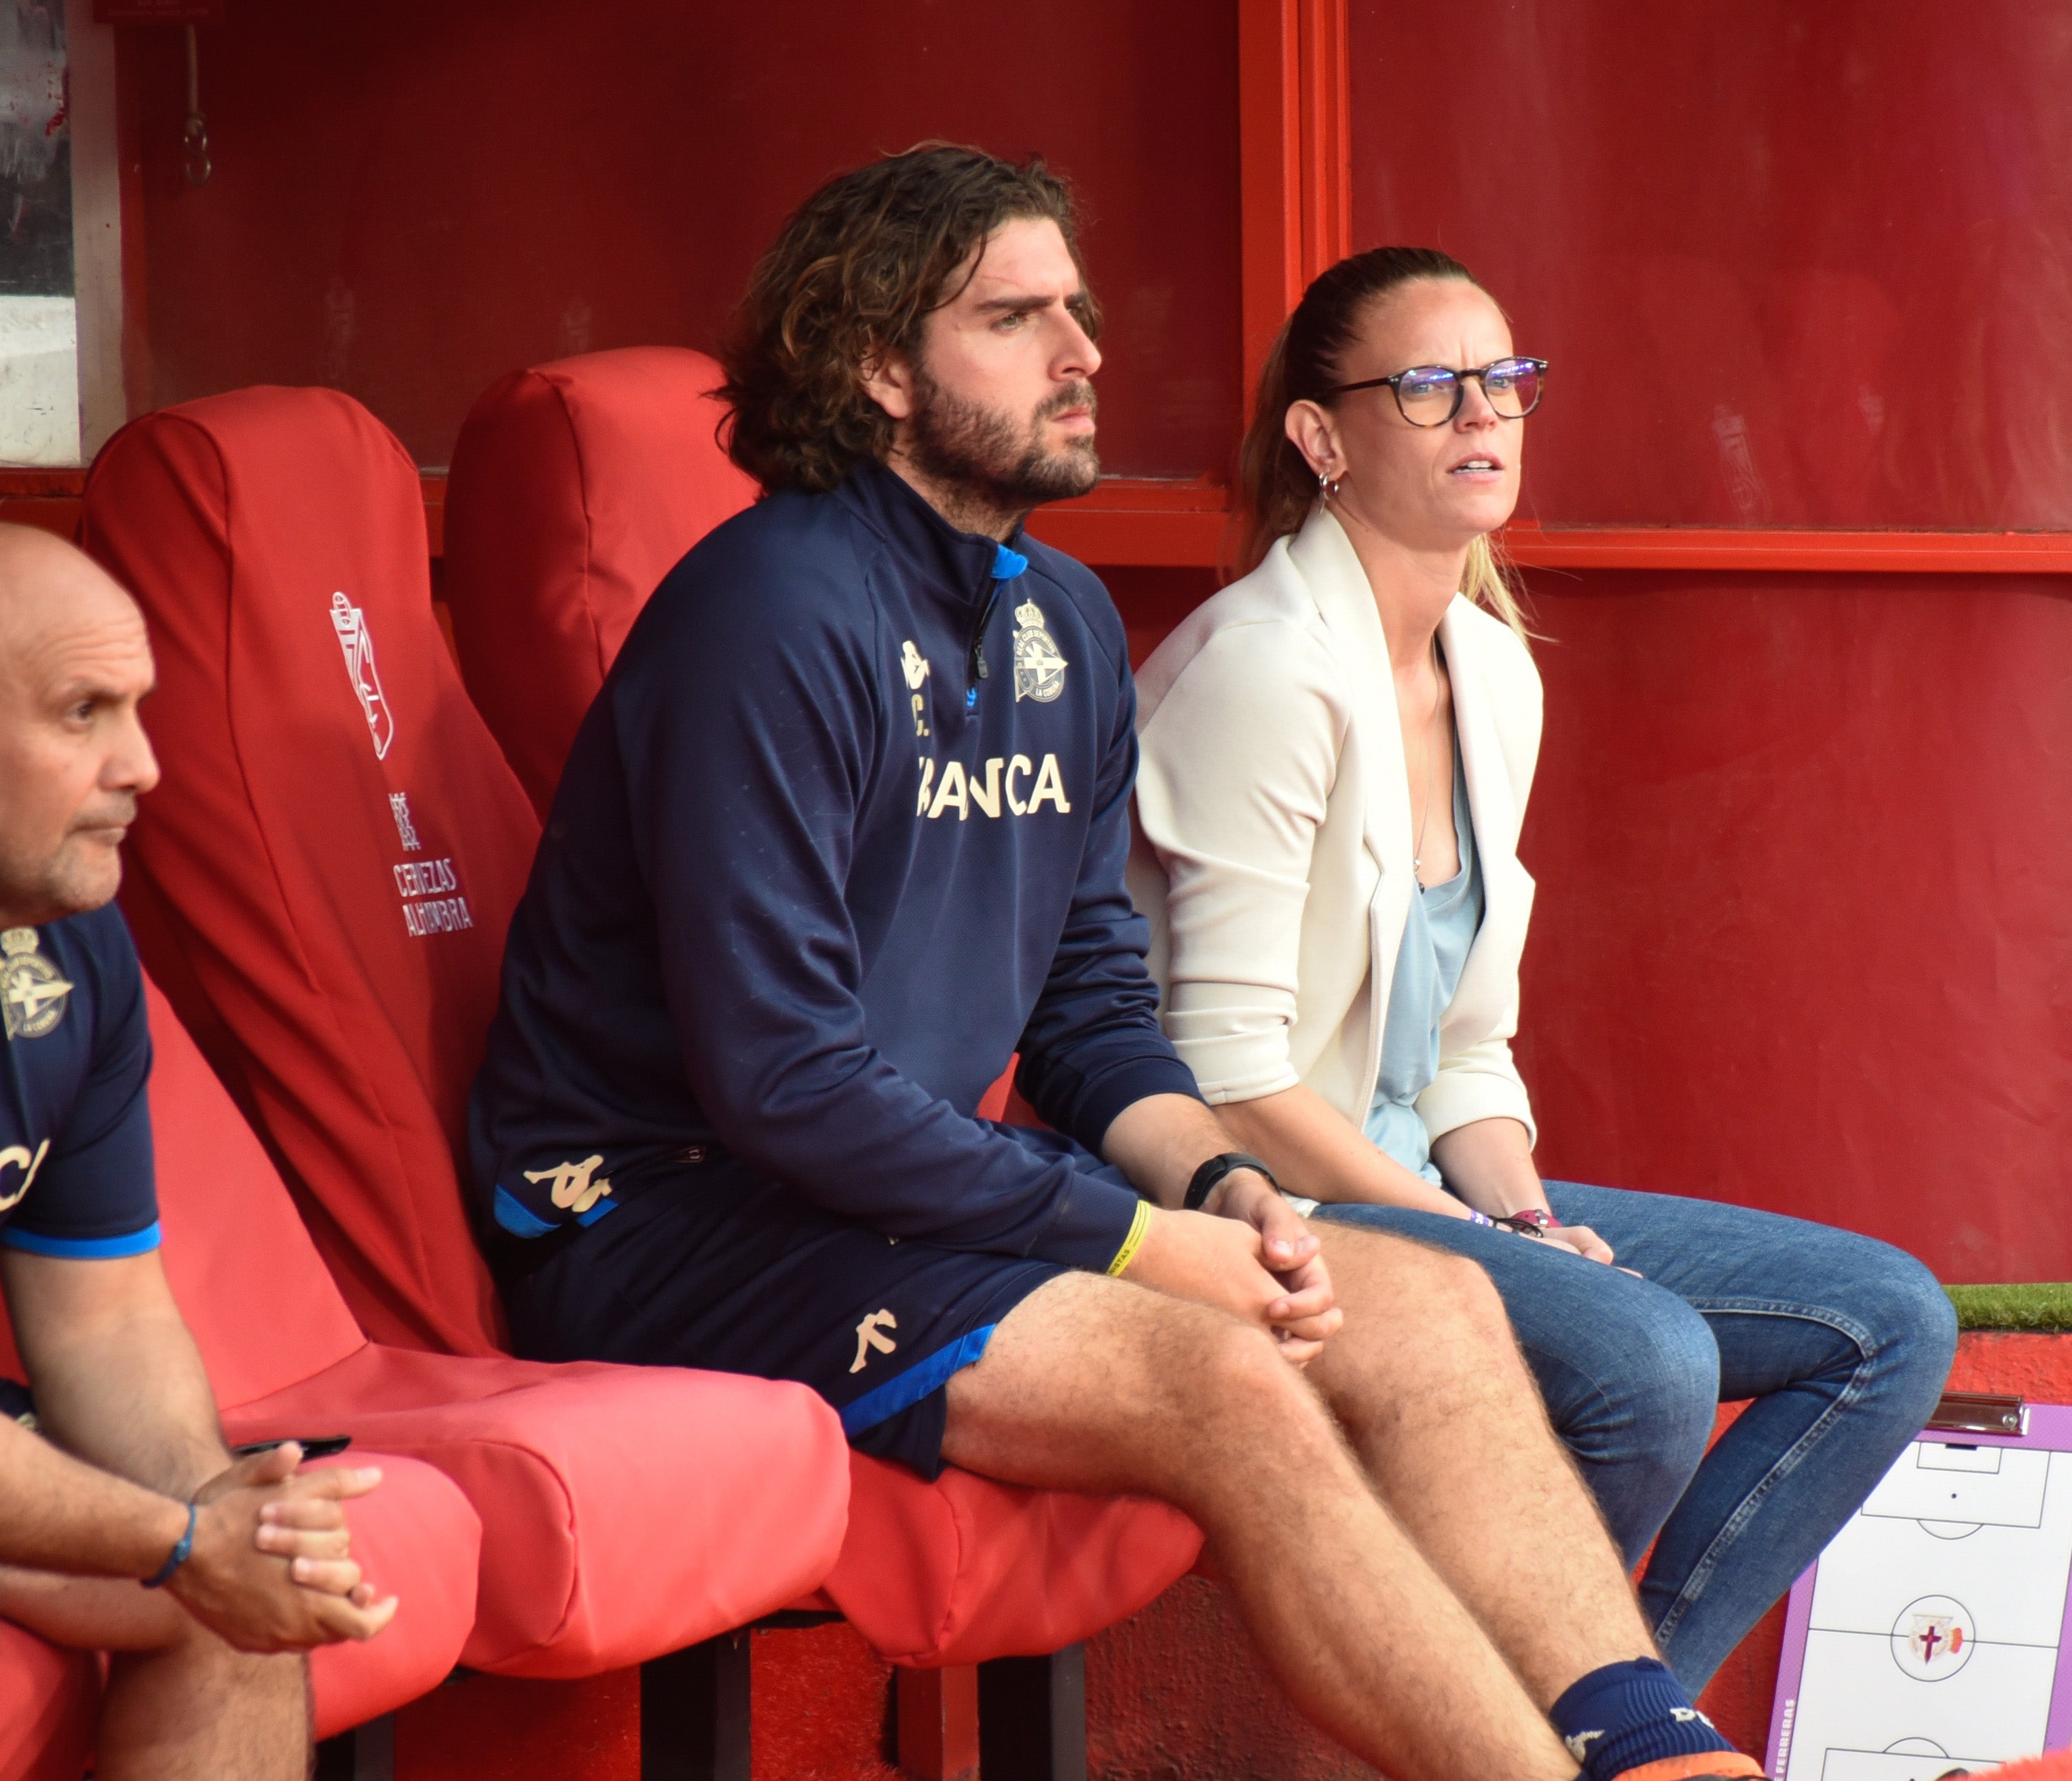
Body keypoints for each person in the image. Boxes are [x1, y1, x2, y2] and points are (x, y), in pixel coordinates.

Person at [467, 146, 1769, 1781]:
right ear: (879, 367)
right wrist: (1143, 1245)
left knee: (1431, 1310)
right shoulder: (770, 617)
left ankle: (1649, 1747)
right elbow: (784, 1078)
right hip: (668, 1210)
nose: (1086, 350)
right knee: (1226, 1377)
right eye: (1016, 318)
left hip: (888, 1194)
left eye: (1076, 307)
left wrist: (1220, 1184)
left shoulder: (1063, 618)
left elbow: (1087, 996)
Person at [1127, 246, 1961, 1693]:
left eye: (1505, 378)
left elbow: (1463, 1048)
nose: (1484, 415)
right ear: (1324, 438)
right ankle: (1553, 1725)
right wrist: (1489, 1234)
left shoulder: (1490, 665)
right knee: (1644, 1359)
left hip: (1415, 1181)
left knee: (1888, 1320)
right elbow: (1228, 1077)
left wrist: (1514, 1204)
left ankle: (1605, 1719)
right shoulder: (1263, 669)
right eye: (1430, 385)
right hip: (1245, 1201)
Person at [0, 524, 399, 1780]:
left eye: (138, 709)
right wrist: (172, 1540)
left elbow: (105, 1317)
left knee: (242, 1598)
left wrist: (223, 1524)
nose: (144, 767)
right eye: (82, 713)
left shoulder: (70, 946)